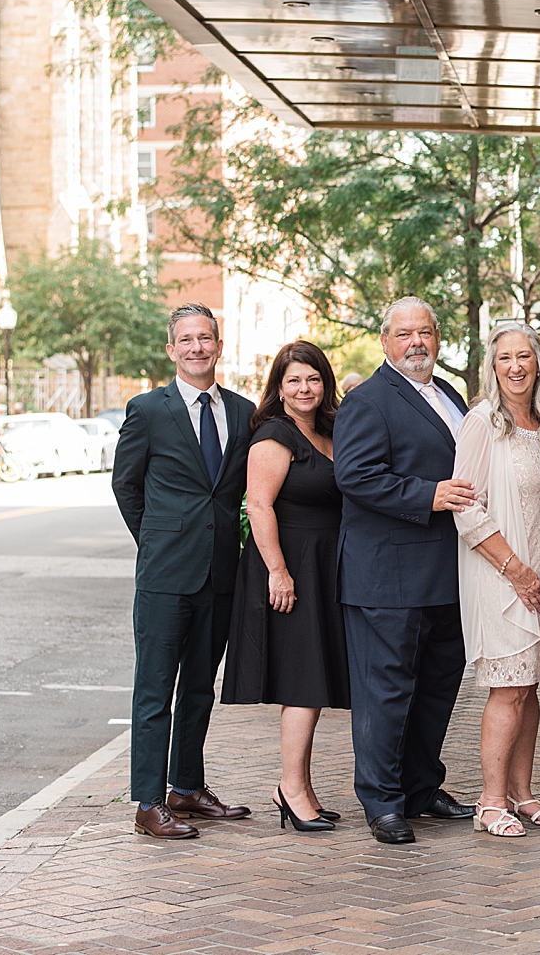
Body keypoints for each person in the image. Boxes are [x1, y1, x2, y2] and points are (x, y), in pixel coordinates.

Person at [332, 297, 475, 845]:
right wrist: (429, 495)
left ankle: (420, 787)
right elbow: (356, 476)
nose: (417, 342)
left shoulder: (450, 396)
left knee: (438, 687)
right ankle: (382, 801)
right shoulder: (368, 400)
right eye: (405, 334)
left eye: (426, 332)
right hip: (386, 576)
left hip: (446, 572)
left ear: (438, 338)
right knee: (386, 691)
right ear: (386, 341)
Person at [111, 302, 255, 839]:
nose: (197, 348)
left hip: (220, 575)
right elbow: (126, 486)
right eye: (187, 340)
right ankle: (148, 802)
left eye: (206, 339)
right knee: (155, 691)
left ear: (219, 346)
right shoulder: (148, 410)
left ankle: (186, 788)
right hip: (165, 576)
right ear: (172, 350)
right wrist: (157, 541)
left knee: (199, 687)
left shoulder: (241, 413)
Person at [221, 340, 350, 832]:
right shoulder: (274, 435)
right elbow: (258, 506)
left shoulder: (328, 431)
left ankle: (301, 787)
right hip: (289, 569)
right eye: (294, 380)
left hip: (323, 567)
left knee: (313, 683)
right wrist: (278, 571)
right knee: (302, 682)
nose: (304, 388)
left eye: (313, 379)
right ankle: (290, 789)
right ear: (279, 386)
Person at [452, 324, 540, 838]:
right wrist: (516, 571)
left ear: (538, 362)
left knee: (531, 686)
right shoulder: (482, 422)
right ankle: (490, 800)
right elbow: (466, 508)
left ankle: (523, 794)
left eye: (525, 356)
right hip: (504, 574)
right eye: (506, 359)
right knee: (508, 690)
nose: (517, 367)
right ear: (492, 366)